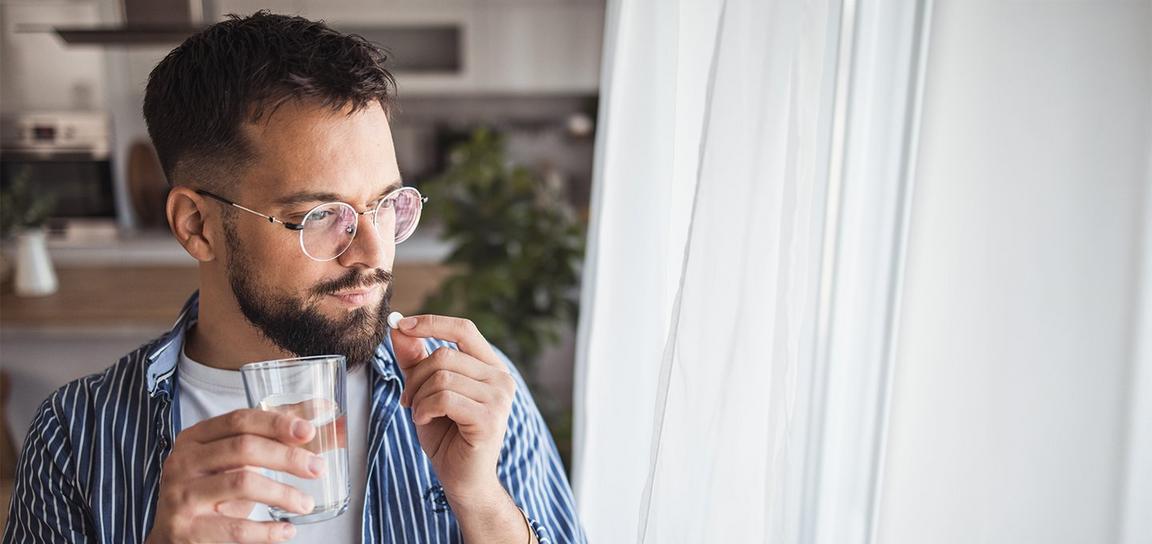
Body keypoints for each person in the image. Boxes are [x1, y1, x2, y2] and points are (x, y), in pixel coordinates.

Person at [3, 12, 584, 544]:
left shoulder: (474, 395)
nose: (374, 252)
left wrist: (482, 505)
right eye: (319, 216)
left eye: (385, 205)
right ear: (197, 225)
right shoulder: (76, 436)